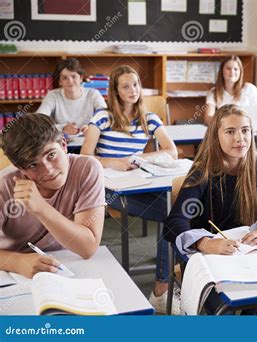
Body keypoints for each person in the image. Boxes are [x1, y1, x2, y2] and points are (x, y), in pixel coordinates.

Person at [164, 104, 257, 314]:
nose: (240, 138)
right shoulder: (202, 171)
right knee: (225, 308)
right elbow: (173, 223)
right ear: (216, 136)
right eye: (230, 132)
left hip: (248, 260)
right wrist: (205, 243)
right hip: (207, 261)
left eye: (245, 130)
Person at [80, 65, 179, 314]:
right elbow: (85, 157)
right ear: (115, 90)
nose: (132, 90)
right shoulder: (102, 117)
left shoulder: (149, 118)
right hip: (110, 191)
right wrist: (114, 162)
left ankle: (162, 286)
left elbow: (172, 151)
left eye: (135, 84)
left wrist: (141, 158)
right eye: (125, 86)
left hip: (139, 184)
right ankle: (163, 285)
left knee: (174, 212)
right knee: (170, 215)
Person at [0, 113, 105, 279]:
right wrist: (19, 262)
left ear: (63, 144)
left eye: (51, 155)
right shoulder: (4, 184)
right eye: (33, 164)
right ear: (20, 168)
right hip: (11, 272)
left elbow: (88, 248)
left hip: (65, 265)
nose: (48, 170)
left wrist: (41, 208)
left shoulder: (87, 169)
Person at [37, 58, 107, 135]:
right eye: (64, 78)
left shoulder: (93, 94)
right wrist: (62, 128)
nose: (70, 81)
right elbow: (38, 121)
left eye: (74, 76)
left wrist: (92, 127)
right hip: (61, 142)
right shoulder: (52, 95)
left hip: (89, 140)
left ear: (80, 78)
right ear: (60, 81)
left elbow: (106, 118)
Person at [203, 56, 257, 125]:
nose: (232, 72)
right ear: (222, 71)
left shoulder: (250, 89)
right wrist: (227, 123)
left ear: (240, 72)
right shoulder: (213, 92)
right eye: (228, 68)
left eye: (236, 69)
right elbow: (207, 118)